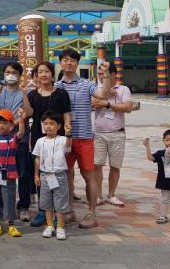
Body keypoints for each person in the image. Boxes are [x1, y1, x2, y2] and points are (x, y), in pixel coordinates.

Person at [54, 49, 112, 228]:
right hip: (64, 138)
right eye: (65, 60)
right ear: (60, 63)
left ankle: (92, 213)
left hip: (84, 137)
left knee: (88, 176)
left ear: (77, 64)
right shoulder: (56, 86)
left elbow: (103, 94)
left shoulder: (87, 84)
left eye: (72, 60)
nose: (68, 63)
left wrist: (106, 75)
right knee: (66, 175)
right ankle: (69, 211)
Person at [26, 61, 72, 227]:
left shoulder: (61, 94)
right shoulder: (32, 95)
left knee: (57, 172)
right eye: (40, 72)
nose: (43, 75)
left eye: (46, 71)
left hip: (57, 138)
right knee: (41, 173)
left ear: (52, 74)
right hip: (39, 138)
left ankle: (58, 212)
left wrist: (68, 129)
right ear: (36, 75)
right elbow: (28, 114)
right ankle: (42, 211)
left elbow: (66, 113)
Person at [0, 61, 33, 222]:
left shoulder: (25, 91)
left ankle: (23, 207)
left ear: (20, 75)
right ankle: (1, 207)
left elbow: (29, 112)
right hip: (0, 139)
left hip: (19, 137)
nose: (10, 75)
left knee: (22, 172)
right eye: (7, 72)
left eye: (14, 72)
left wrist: (25, 95)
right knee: (1, 171)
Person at [92, 62, 133, 207]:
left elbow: (128, 107)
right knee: (97, 165)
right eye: (100, 74)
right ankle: (98, 196)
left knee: (115, 166)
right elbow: (92, 103)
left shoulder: (123, 89)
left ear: (113, 74)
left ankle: (111, 195)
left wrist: (107, 104)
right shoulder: (97, 89)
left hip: (117, 134)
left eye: (104, 74)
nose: (101, 76)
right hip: (99, 134)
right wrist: (104, 97)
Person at [32, 111, 72, 240]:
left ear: (59, 126)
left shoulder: (62, 139)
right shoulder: (40, 141)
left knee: (60, 202)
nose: (48, 126)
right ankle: (49, 225)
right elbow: (37, 158)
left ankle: (60, 226)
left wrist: (68, 133)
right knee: (46, 202)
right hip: (45, 176)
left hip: (59, 175)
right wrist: (36, 175)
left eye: (52, 123)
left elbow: (68, 146)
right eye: (46, 123)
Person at [0, 108, 26, 238]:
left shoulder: (13, 139)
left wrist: (21, 119)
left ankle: (11, 225)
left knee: (9, 199)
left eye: (4, 123)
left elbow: (21, 132)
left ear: (11, 125)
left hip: (9, 175)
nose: (1, 125)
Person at [143, 130, 170, 226]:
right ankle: (163, 216)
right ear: (163, 141)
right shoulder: (160, 153)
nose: (169, 143)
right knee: (165, 199)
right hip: (164, 181)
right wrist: (147, 146)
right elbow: (151, 158)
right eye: (167, 140)